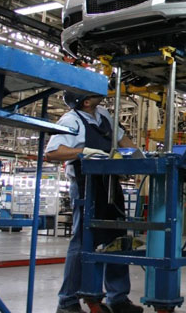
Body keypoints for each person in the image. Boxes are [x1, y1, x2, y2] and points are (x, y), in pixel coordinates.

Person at [46, 92, 143, 313]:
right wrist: (82, 151)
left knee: (118, 239)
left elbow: (122, 139)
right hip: (85, 185)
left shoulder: (103, 114)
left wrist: (139, 157)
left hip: (110, 181)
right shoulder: (71, 120)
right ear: (85, 102)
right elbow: (53, 152)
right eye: (92, 92)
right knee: (83, 240)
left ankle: (118, 299)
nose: (100, 92)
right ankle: (67, 301)